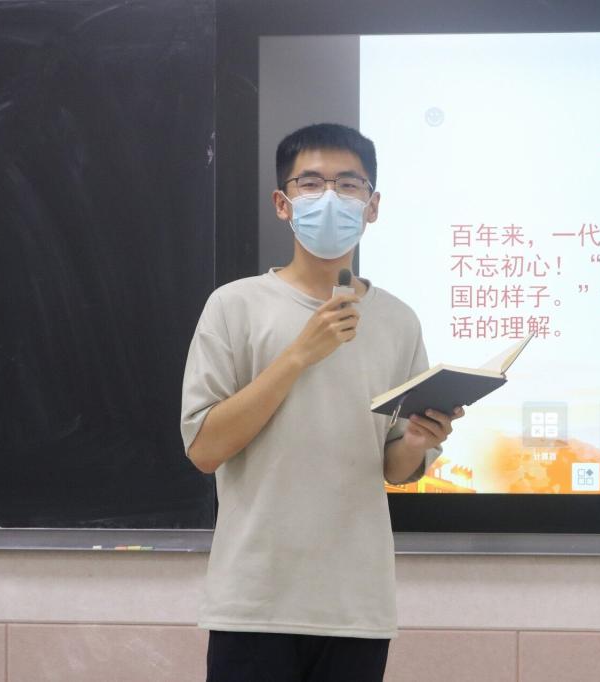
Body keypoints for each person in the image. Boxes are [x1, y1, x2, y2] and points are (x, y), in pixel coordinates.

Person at [180, 122, 462, 681]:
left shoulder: (398, 320)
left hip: (356, 605)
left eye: (349, 185)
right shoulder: (233, 306)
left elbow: (394, 468)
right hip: (254, 602)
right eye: (311, 184)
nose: (330, 198)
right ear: (282, 204)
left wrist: (415, 441)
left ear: (372, 206)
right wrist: (299, 354)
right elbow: (205, 449)